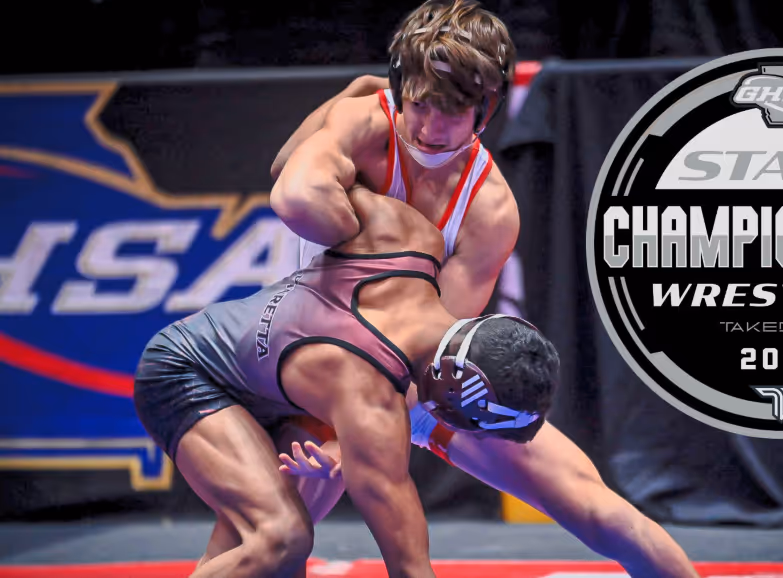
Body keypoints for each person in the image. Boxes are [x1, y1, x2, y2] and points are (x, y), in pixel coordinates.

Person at [269, 1, 702, 576]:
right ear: (400, 89)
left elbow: (432, 358)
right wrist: (346, 111)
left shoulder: (489, 208)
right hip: (314, 363)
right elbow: (287, 182)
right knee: (273, 538)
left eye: (452, 111)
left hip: (412, 382)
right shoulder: (363, 122)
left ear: (487, 106)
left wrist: (353, 441)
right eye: (419, 104)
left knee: (595, 507)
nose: (430, 129)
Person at [133, 184, 561, 578]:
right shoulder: (370, 400)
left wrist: (349, 121)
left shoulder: (409, 238)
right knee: (281, 538)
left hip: (271, 387)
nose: (466, 431)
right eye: (473, 424)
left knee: (262, 555)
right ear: (453, 392)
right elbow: (410, 567)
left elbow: (293, 172)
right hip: (186, 372)